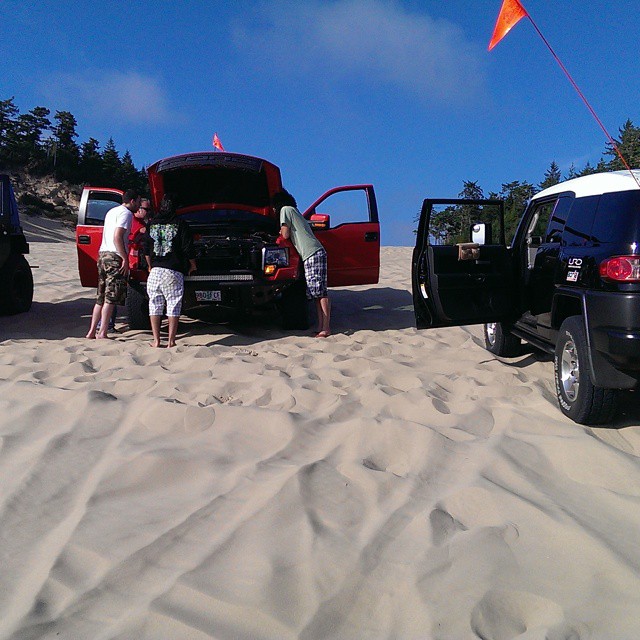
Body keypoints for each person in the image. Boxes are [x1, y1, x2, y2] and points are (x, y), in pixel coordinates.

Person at [273, 189, 331, 337]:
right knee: (316, 292)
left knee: (320, 292)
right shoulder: (294, 211)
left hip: (312, 253)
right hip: (314, 253)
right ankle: (321, 327)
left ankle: (325, 328)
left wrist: (279, 232)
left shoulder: (285, 210)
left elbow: (285, 233)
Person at [86, 189, 141, 339]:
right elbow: (117, 236)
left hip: (103, 254)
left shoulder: (111, 211)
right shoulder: (126, 213)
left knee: (100, 297)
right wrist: (125, 258)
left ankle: (92, 331)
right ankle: (103, 331)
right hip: (114, 257)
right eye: (138, 202)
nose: (139, 206)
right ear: (132, 201)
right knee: (111, 297)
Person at [144, 194, 197, 348]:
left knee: (154, 305)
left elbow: (146, 249)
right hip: (173, 271)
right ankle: (171, 341)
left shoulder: (151, 224)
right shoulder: (180, 224)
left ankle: (156, 340)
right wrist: (193, 265)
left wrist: (150, 266)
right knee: (173, 305)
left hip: (155, 271)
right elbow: (187, 248)